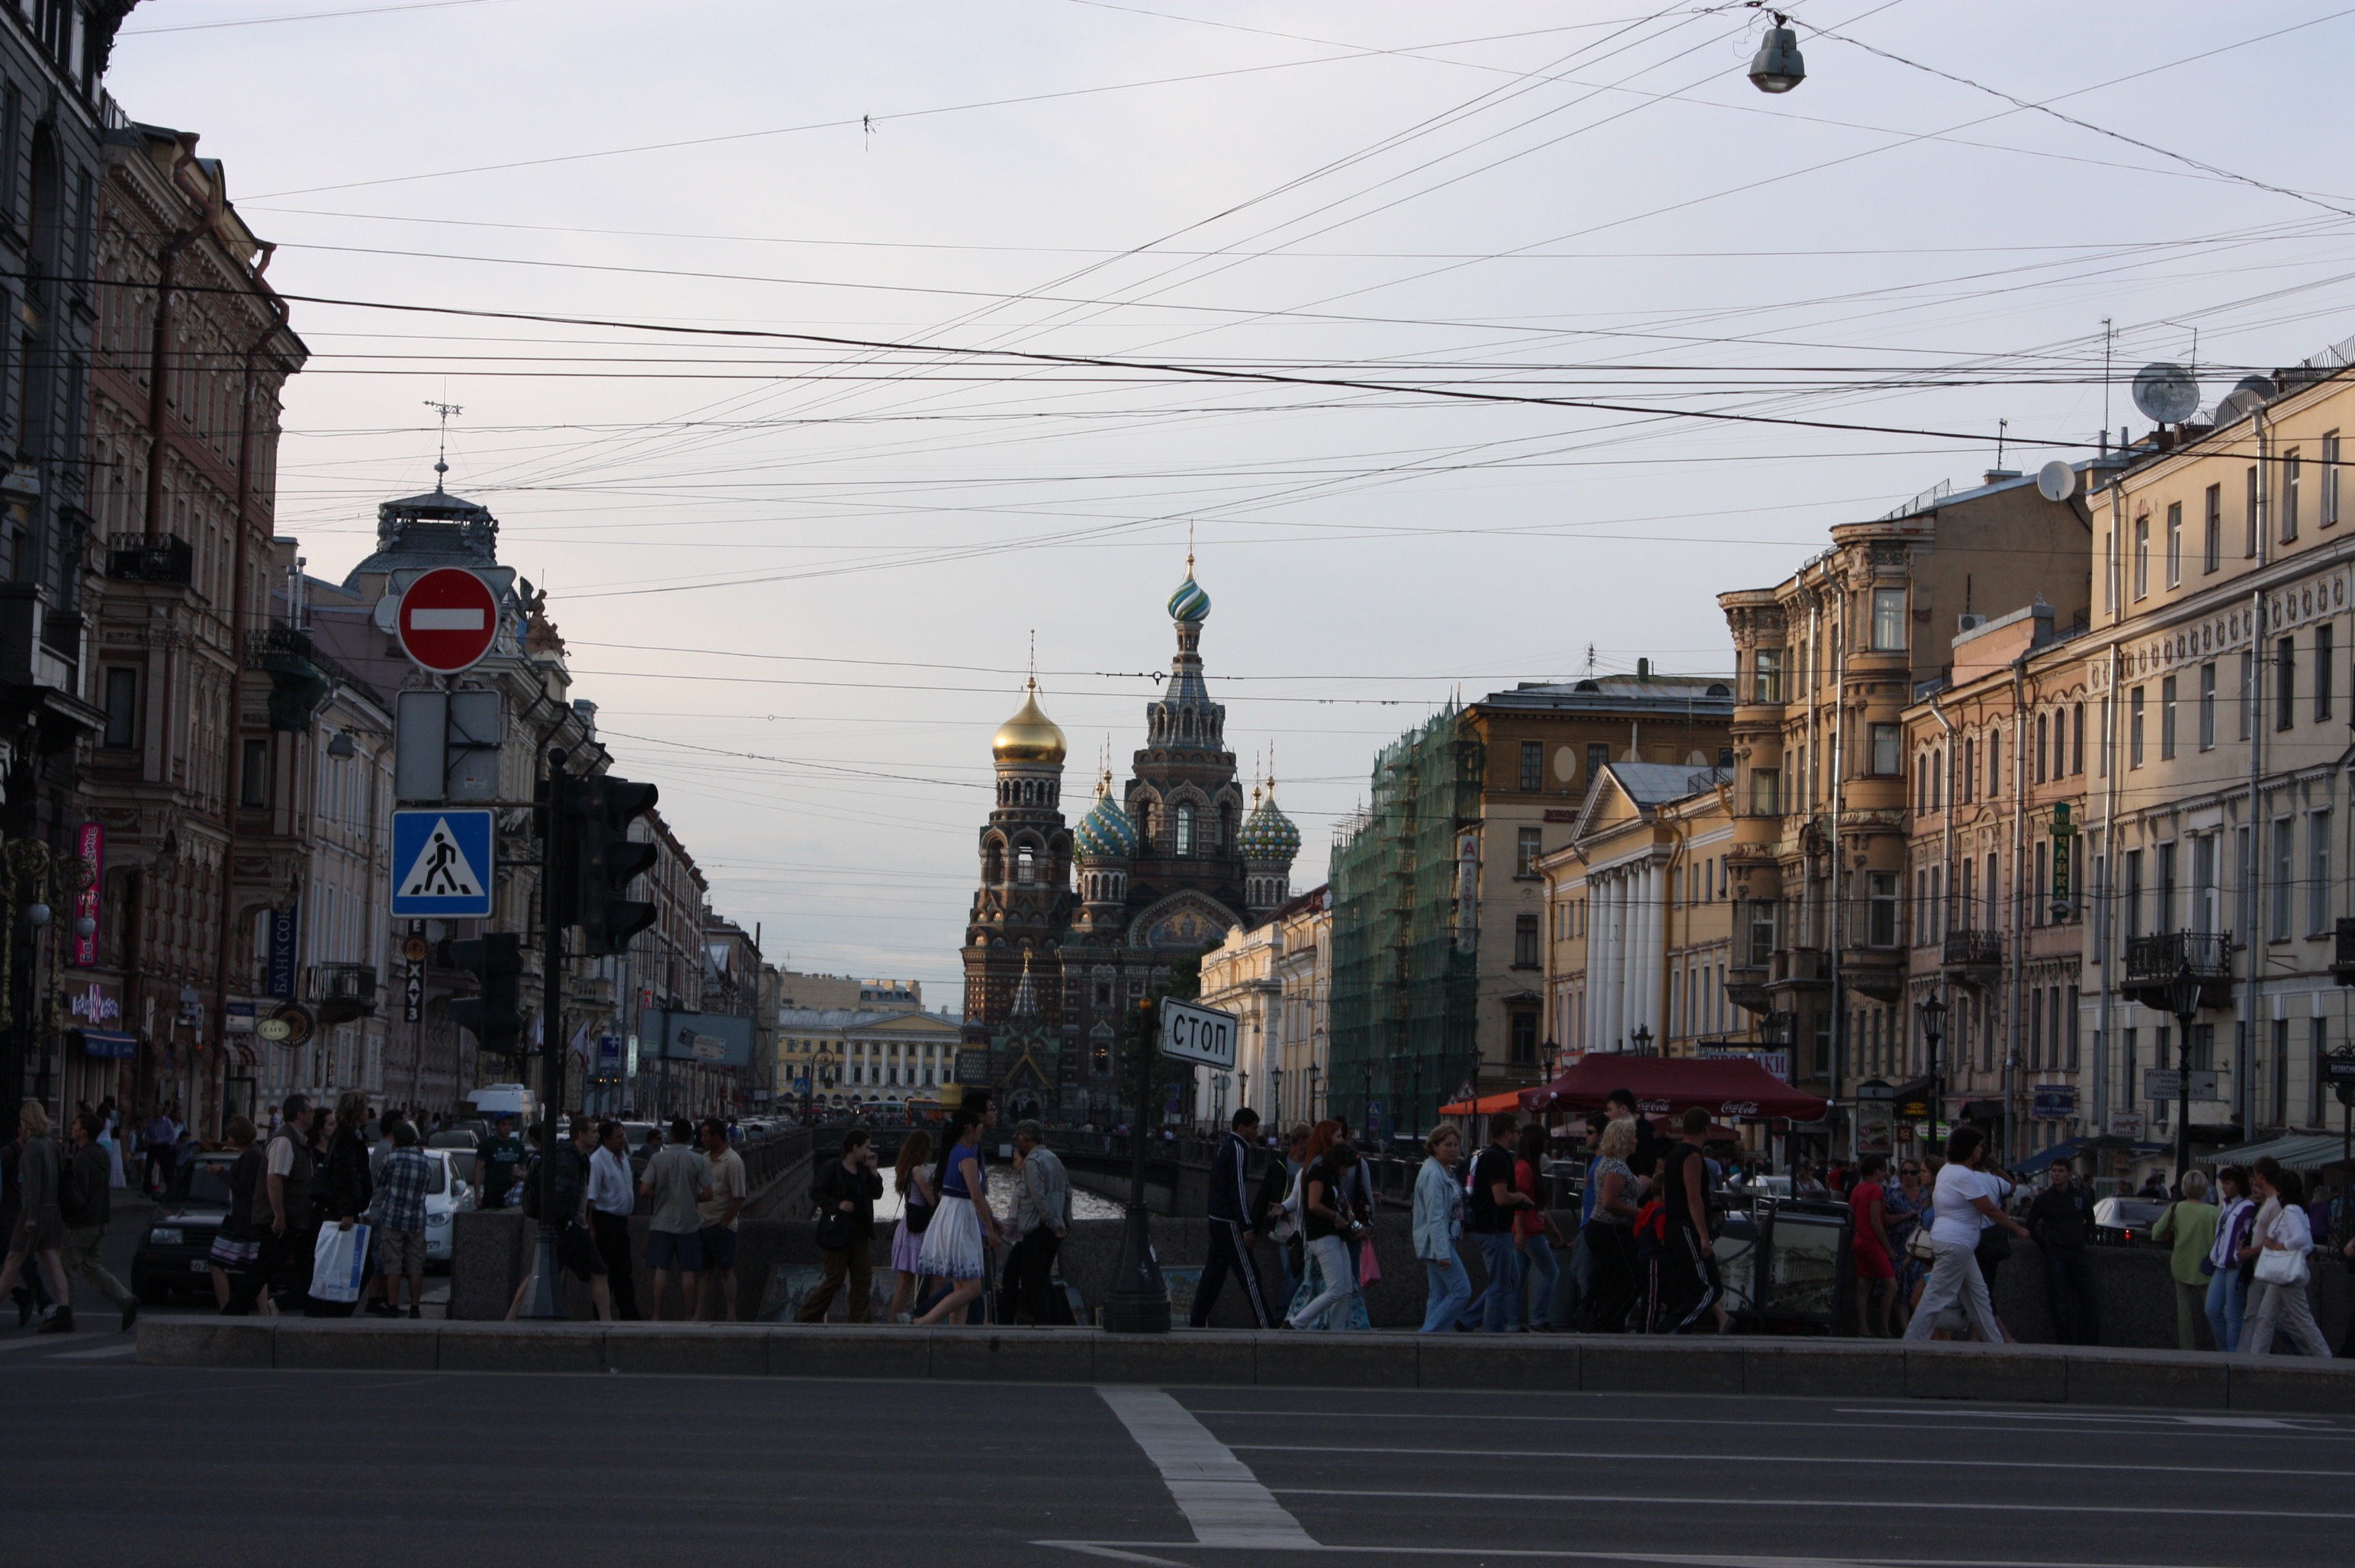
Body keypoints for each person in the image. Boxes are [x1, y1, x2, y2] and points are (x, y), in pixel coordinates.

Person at [1903, 1125, 2025, 1344]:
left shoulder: (1949, 1171)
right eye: (1978, 1146)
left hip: (1956, 1243)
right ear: (1969, 1149)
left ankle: (1997, 1345)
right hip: (1956, 1243)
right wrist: (2018, 1229)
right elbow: (1989, 1209)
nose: (1981, 1150)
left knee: (1979, 1297)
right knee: (1935, 1297)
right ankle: (1911, 1344)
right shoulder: (1965, 1176)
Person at [506, 1117, 615, 1322]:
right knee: (542, 1273)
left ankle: (606, 1322)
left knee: (599, 1271)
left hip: (576, 1225)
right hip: (565, 1225)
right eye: (592, 1132)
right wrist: (566, 1220)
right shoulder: (568, 1157)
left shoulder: (581, 1157)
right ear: (580, 1135)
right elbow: (557, 1192)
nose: (597, 1135)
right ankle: (511, 1316)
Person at [227, 1094, 316, 1316]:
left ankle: (309, 1311)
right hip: (282, 1221)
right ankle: (232, 1313)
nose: (313, 1115)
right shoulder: (284, 1141)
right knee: (262, 1270)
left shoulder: (299, 1141)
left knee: (309, 1273)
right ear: (300, 1115)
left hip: (297, 1220)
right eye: (310, 1111)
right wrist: (279, 1216)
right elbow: (274, 1178)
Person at [56, 1110, 136, 1333]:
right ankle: (126, 1299)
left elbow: (78, 1194)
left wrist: (68, 1214)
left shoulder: (83, 1158)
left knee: (68, 1266)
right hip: (100, 1218)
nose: (71, 1127)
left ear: (83, 1132)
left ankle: (66, 1313)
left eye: (75, 1124)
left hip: (83, 1222)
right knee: (91, 1267)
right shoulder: (100, 1154)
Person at [915, 1110, 999, 1325]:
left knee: (961, 1288)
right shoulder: (968, 1157)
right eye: (979, 1127)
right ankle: (924, 1321)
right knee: (973, 1288)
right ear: (970, 1129)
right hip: (961, 1220)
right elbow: (977, 1196)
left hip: (947, 1217)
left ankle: (955, 1334)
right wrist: (990, 1229)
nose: (981, 1131)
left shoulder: (952, 1153)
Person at [1191, 1107, 1271, 1329]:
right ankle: (1266, 1326)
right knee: (1251, 1277)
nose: (1256, 1133)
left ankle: (1196, 1323)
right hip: (1230, 1223)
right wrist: (1247, 1226)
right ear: (1242, 1127)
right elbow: (1238, 1189)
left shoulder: (1226, 1146)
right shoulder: (1238, 1149)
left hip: (1217, 1220)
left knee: (1212, 1277)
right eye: (1253, 1128)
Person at [2241, 1165, 2331, 1357]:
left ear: (2282, 1190)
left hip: (2286, 1274)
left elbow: (2300, 1239)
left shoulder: (2290, 1210)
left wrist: (2276, 1246)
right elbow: (2306, 1242)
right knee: (2267, 1316)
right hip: (2288, 1272)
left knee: (2300, 1320)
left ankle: (2325, 1357)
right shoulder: (2299, 1209)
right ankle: (2257, 1356)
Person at [801, 1126, 884, 1322]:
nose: (869, 1151)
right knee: (835, 1280)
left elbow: (877, 1194)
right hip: (837, 1232)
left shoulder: (864, 1170)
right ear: (855, 1148)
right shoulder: (833, 1167)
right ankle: (807, 1316)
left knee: (863, 1279)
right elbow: (816, 1193)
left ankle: (860, 1322)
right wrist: (838, 1204)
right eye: (866, 1147)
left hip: (860, 1234)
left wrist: (873, 1170)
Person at [1657, 1107, 1728, 1334]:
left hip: (1674, 1227)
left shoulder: (1674, 1154)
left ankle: (1677, 1329)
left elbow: (1668, 1195)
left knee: (1687, 1285)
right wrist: (1704, 1236)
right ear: (1706, 1128)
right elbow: (1694, 1197)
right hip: (1687, 1228)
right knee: (1710, 1288)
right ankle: (1670, 1327)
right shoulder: (1693, 1156)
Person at [1287, 1137, 1368, 1330]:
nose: (1346, 1172)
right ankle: (1297, 1322)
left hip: (1337, 1236)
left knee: (1346, 1289)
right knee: (1336, 1289)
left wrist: (1350, 1216)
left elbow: (1342, 1202)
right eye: (1344, 1167)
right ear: (1336, 1162)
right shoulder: (1318, 1175)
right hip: (1323, 1237)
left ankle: (1336, 1331)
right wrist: (1335, 1217)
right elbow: (1314, 1205)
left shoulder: (1332, 1177)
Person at [1573, 1117, 1640, 1332]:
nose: (1636, 1141)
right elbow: (1609, 1202)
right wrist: (1641, 1212)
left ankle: (1608, 1325)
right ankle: (1604, 1324)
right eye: (1633, 1137)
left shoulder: (1611, 1163)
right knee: (1630, 1281)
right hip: (1610, 1228)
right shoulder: (1615, 1166)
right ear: (1623, 1140)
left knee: (1612, 1281)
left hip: (1606, 1229)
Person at [639, 1116, 711, 1321]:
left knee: (661, 1270)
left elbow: (644, 1190)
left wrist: (660, 1196)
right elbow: (709, 1194)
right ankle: (688, 1316)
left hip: (661, 1222)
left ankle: (656, 1315)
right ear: (690, 1137)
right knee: (688, 1272)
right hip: (689, 1223)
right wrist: (691, 1196)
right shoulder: (697, 1160)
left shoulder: (658, 1159)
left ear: (672, 1136)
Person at [999, 1120, 1070, 1325]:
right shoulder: (1054, 1159)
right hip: (1054, 1231)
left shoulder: (1032, 1162)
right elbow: (1067, 1193)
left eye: (1019, 1138)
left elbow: (1039, 1198)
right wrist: (1064, 1223)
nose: (1019, 1142)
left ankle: (1044, 1328)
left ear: (1025, 1138)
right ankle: (1058, 1325)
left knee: (1033, 1285)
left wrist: (1051, 1222)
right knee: (1041, 1279)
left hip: (1039, 1229)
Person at [2026, 1162, 2099, 1345]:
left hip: (2077, 1252)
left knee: (2090, 1298)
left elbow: (2090, 1220)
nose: (2056, 1175)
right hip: (2056, 1252)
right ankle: (2064, 1341)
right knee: (2059, 1301)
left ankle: (2087, 1341)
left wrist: (2082, 1239)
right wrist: (2045, 1246)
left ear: (2069, 1174)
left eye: (2060, 1171)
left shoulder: (2080, 1196)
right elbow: (2030, 1224)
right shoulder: (2044, 1199)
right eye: (2054, 1171)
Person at [319, 1091, 373, 1318]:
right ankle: (337, 1312)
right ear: (356, 1111)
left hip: (348, 1208)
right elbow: (343, 1175)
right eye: (365, 1108)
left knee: (354, 1264)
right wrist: (347, 1211)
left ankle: (337, 1310)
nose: (368, 1112)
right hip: (343, 1211)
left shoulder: (350, 1134)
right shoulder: (346, 1136)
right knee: (360, 1265)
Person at [2151, 1169, 2218, 1351]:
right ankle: (2222, 1348)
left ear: (2184, 1188)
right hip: (2207, 1267)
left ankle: (2187, 1350)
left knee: (2184, 1314)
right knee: (2214, 1312)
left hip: (2181, 1265)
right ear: (2204, 1188)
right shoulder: (2213, 1212)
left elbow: (2156, 1234)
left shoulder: (2176, 1209)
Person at [1412, 1123, 1470, 1333]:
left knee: (1437, 1295)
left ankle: (1428, 1344)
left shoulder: (1444, 1170)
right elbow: (1435, 1217)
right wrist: (1442, 1252)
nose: (1453, 1149)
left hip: (1444, 1240)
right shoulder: (1434, 1174)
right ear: (1435, 1146)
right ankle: (1428, 1334)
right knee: (1462, 1290)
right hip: (1439, 1242)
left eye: (1456, 1144)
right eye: (1448, 1145)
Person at [374, 1120, 435, 1320]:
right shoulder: (425, 1161)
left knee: (393, 1264)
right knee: (415, 1264)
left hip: (392, 1218)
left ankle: (392, 1305)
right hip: (417, 1219)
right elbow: (426, 1187)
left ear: (396, 1141)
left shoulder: (391, 1159)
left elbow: (380, 1182)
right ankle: (415, 1308)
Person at [1513, 1121, 1566, 1332]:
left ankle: (1513, 1323)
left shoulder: (1525, 1166)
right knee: (1551, 1272)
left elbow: (1538, 1205)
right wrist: (1521, 1232)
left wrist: (1553, 1228)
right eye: (1543, 1139)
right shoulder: (1526, 1169)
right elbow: (1520, 1202)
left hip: (1527, 1229)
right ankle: (1538, 1318)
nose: (1546, 1143)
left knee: (1516, 1280)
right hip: (1530, 1230)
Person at [206, 1117, 262, 1313]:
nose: (229, 1140)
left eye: (231, 1136)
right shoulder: (251, 1153)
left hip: (243, 1218)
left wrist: (220, 1172)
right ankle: (263, 1313)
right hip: (243, 1217)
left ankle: (226, 1309)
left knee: (216, 1261)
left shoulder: (252, 1155)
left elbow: (242, 1188)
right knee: (254, 1269)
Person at [696, 1117, 748, 1321]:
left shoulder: (733, 1161)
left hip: (721, 1226)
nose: (702, 1139)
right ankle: (699, 1314)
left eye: (705, 1136)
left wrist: (724, 1223)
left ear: (717, 1137)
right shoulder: (704, 1159)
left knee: (726, 1271)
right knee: (703, 1273)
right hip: (703, 1223)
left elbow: (739, 1197)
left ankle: (731, 1315)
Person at [586, 1120, 640, 1320]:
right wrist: (592, 1229)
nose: (622, 1141)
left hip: (621, 1222)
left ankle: (628, 1311)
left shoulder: (623, 1156)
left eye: (623, 1136)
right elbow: (590, 1201)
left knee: (624, 1269)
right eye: (618, 1137)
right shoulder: (597, 1161)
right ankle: (600, 1315)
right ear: (606, 1139)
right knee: (605, 1271)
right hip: (605, 1222)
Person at [885, 1129, 937, 1323]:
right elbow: (932, 1200)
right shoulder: (917, 1170)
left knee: (904, 1283)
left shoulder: (906, 1169)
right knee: (931, 1279)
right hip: (917, 1231)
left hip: (907, 1228)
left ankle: (894, 1323)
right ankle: (926, 1320)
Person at [1251, 1123, 1302, 1318]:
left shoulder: (1311, 1167)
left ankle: (1286, 1314)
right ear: (1298, 1142)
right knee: (1291, 1271)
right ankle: (1284, 1314)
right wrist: (1252, 1230)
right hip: (1282, 1228)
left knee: (1296, 1273)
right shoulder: (1278, 1167)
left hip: (1303, 1228)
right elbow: (1263, 1198)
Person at [2204, 1165, 2255, 1353]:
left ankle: (2232, 1351)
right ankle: (2227, 1349)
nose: (2223, 1187)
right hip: (2221, 1264)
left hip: (2235, 1265)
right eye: (2222, 1183)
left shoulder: (2247, 1207)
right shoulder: (2226, 1205)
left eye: (2227, 1183)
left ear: (2238, 1184)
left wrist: (2237, 1254)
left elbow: (2248, 1235)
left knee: (2233, 1314)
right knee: (2212, 1309)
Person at [1849, 1152, 1897, 1337]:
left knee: (1864, 1284)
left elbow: (1849, 1215)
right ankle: (1884, 1328)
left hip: (1859, 1240)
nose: (1885, 1174)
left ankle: (1863, 1327)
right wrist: (1889, 1249)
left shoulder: (1858, 1188)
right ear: (1877, 1172)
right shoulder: (1876, 1190)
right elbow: (1876, 1221)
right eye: (1883, 1171)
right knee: (1891, 1286)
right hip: (1872, 1242)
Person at [475, 1113, 525, 1210]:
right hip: (492, 1192)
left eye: (510, 1125)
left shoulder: (518, 1146)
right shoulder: (487, 1144)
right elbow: (478, 1168)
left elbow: (524, 1170)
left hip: (512, 1192)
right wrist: (477, 1193)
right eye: (504, 1124)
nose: (507, 1128)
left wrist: (519, 1174)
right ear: (497, 1126)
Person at [143, 1104, 178, 1196]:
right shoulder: (151, 1122)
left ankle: (171, 1190)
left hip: (163, 1147)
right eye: (155, 1110)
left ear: (162, 1111)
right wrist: (149, 1140)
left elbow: (171, 1136)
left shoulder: (167, 1122)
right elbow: (147, 1134)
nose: (156, 1112)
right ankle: (147, 1190)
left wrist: (160, 1141)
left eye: (158, 1110)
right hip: (153, 1146)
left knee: (167, 1169)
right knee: (148, 1167)